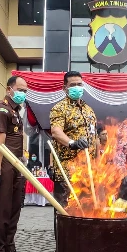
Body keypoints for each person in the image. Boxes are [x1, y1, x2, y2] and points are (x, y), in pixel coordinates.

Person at [0, 75, 29, 252]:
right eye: (19, 89)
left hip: (16, 165)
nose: (22, 93)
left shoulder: (16, 111)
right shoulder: (0, 109)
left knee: (14, 208)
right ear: (9, 88)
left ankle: (9, 248)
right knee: (3, 209)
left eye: (25, 91)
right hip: (4, 164)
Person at [49, 71, 98, 207]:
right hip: (67, 173)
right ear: (65, 88)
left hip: (87, 172)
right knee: (65, 212)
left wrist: (97, 164)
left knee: (87, 210)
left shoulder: (89, 110)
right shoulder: (59, 109)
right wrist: (72, 143)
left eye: (80, 84)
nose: (77, 87)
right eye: (73, 85)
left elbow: (95, 138)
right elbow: (56, 132)